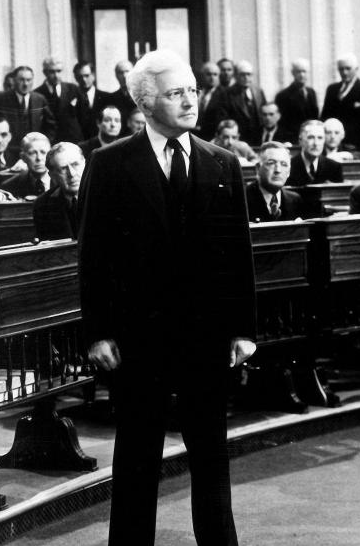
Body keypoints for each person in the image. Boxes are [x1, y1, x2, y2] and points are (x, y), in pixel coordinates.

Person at [78, 48, 256, 546]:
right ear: (145, 102)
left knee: (211, 462)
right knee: (136, 463)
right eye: (176, 93)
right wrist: (98, 332)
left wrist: (243, 329)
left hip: (205, 338)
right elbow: (93, 256)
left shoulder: (221, 163)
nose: (188, 101)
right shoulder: (110, 163)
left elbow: (236, 254)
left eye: (192, 91)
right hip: (139, 341)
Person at [320, 53, 360, 153]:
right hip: (336, 144)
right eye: (341, 69)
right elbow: (325, 116)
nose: (344, 72)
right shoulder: (332, 90)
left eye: (348, 68)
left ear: (356, 69)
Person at [0, 66, 56, 151]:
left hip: (34, 151)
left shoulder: (39, 99)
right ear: (14, 80)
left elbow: (50, 125)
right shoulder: (1, 99)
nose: (25, 84)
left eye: (29, 80)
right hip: (9, 151)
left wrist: (44, 143)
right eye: (21, 80)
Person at [33, 142, 85, 240]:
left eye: (75, 164)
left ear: (85, 164)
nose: (72, 174)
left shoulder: (105, 195)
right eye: (63, 169)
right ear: (52, 175)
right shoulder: (42, 205)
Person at [245, 141, 304, 222]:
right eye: (271, 163)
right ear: (258, 169)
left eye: (283, 164)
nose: (278, 170)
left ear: (289, 172)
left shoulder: (295, 200)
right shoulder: (243, 198)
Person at [35, 58, 85, 144]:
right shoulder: (37, 94)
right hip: (50, 142)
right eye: (52, 72)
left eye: (59, 71)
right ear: (45, 72)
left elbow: (83, 116)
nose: (56, 75)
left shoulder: (73, 89)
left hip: (73, 141)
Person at [217, 60, 266, 146]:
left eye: (249, 74)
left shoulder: (258, 92)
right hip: (238, 139)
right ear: (236, 76)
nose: (246, 78)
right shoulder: (227, 94)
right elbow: (224, 119)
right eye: (242, 74)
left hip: (258, 138)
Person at [287, 119, 342, 187]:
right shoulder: (288, 167)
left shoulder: (334, 167)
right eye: (311, 137)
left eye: (320, 138)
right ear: (300, 140)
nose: (316, 143)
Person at [274, 59, 319, 137]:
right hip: (293, 137)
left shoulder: (311, 92)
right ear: (293, 73)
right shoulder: (283, 95)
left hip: (311, 136)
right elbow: (282, 123)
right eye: (298, 72)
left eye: (304, 71)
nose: (302, 75)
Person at [1, 132, 51, 198]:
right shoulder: (10, 186)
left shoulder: (62, 182)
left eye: (43, 152)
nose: (39, 158)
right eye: (32, 153)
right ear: (23, 157)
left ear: (50, 155)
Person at [74, 61, 109, 138]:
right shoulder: (71, 99)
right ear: (75, 78)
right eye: (80, 77)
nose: (83, 79)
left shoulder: (106, 97)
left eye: (87, 76)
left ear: (93, 75)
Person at [105, 60, 137, 135]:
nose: (124, 75)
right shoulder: (111, 98)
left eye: (127, 71)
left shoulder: (142, 95)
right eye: (120, 72)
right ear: (116, 75)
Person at [196, 61, 222, 139]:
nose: (212, 78)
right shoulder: (196, 91)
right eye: (208, 74)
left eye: (215, 75)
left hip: (212, 138)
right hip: (194, 135)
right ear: (202, 76)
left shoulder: (224, 95)